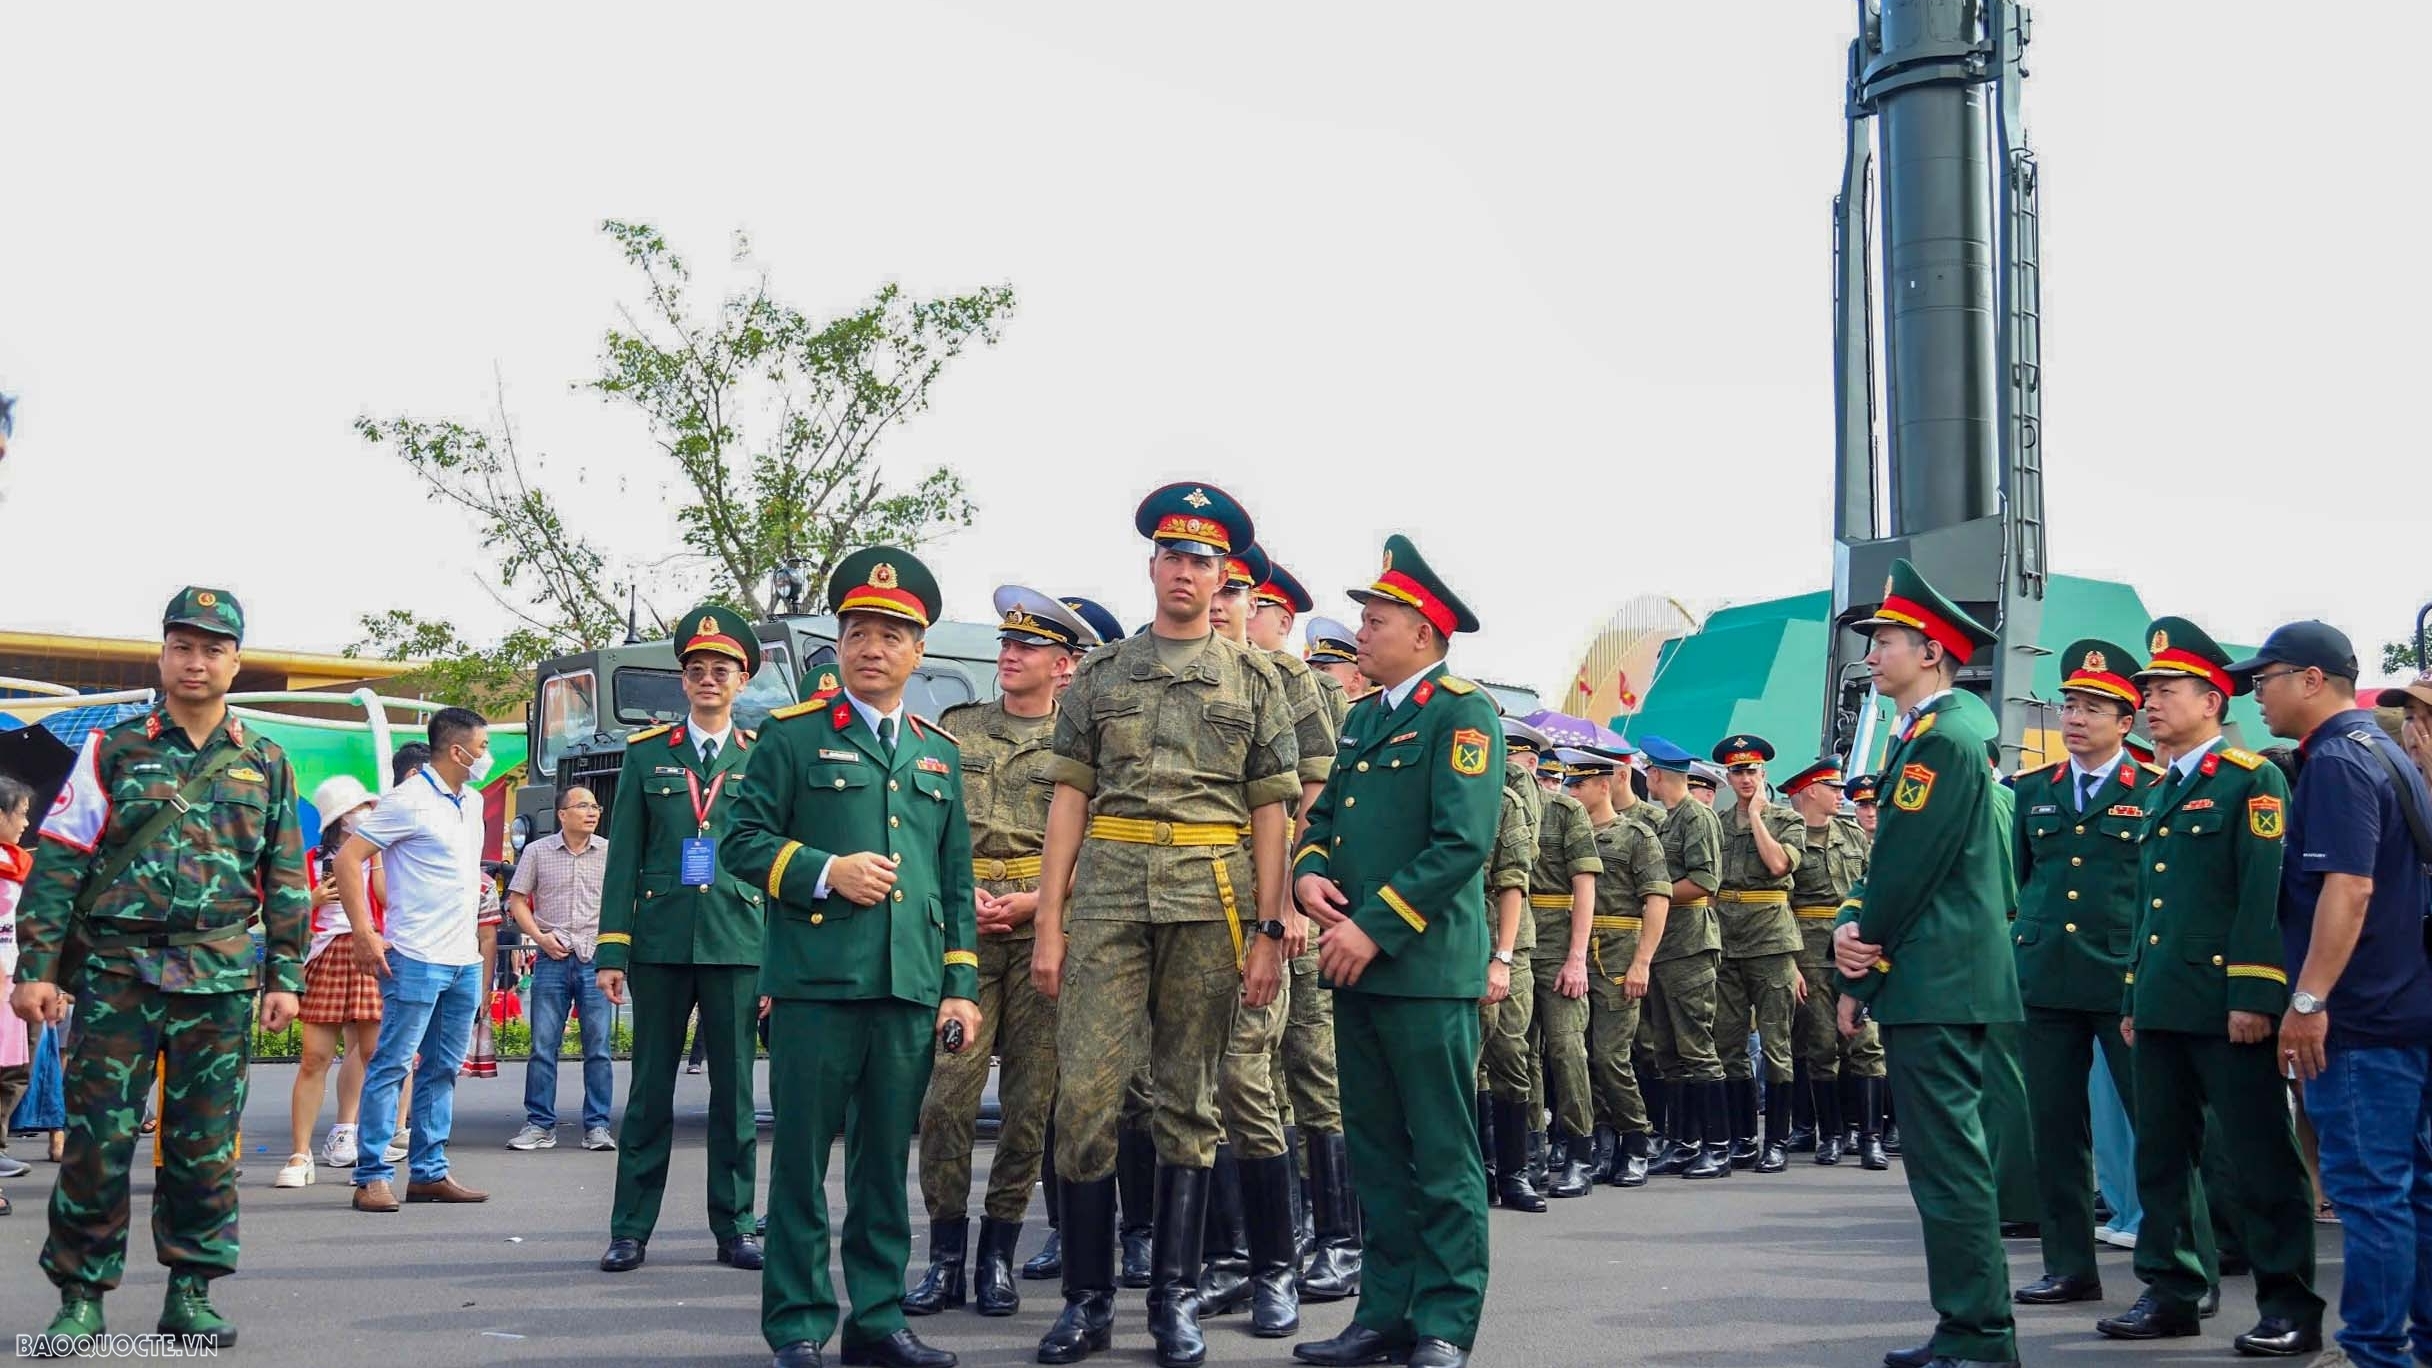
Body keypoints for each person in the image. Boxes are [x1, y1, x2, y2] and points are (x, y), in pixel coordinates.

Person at [1027, 483, 1298, 1368]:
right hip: (1107, 898)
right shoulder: (1101, 674)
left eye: (1202, 561)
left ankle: (1173, 1301)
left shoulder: (1257, 680)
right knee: (1088, 1102)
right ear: (1151, 566)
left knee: (1191, 1100)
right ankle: (1086, 1301)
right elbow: (1069, 799)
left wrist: (1270, 926)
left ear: (1223, 576)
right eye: (1172, 557)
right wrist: (1049, 924)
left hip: (1211, 902)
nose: (1186, 572)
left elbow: (1271, 814)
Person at [11, 587, 311, 1348]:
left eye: (213, 648)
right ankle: (81, 1295)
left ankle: (191, 1290)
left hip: (218, 976)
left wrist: (286, 976)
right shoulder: (113, 748)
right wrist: (37, 968)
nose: (196, 660)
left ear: (236, 663)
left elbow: (285, 877)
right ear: (163, 654)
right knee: (96, 1141)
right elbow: (61, 861)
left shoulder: (266, 763)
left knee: (205, 1144)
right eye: (183, 645)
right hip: (118, 974)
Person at [725, 547, 982, 1368]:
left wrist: (960, 987)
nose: (873, 647)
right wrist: (825, 872)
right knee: (800, 1165)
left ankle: (876, 1319)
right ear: (838, 643)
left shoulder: (938, 751)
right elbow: (739, 840)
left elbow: (954, 880)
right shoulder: (792, 738)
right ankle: (799, 1326)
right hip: (815, 986)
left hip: (907, 989)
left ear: (919, 652)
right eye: (858, 631)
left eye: (893, 634)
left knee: (883, 1169)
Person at [1290, 534, 1501, 1368]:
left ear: (1423, 630)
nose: (1362, 633)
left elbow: (1462, 842)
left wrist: (1369, 927)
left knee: (1442, 1152)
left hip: (1421, 970)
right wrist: (1309, 879)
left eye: (1375, 621)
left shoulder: (1462, 710)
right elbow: (1324, 824)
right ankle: (1384, 1312)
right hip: (1356, 968)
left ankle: (1445, 1320)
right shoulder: (1363, 718)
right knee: (1376, 1149)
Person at [2084, 616, 2321, 1353]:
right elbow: (2148, 911)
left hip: (2226, 1007)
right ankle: (2172, 1289)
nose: (2149, 701)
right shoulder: (2161, 790)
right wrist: (2132, 998)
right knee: (2161, 1156)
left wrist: (2254, 995)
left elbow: (2261, 895)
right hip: (2161, 1004)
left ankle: (2288, 1303)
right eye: (2146, 690)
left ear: (2214, 699)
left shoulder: (2252, 780)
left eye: (2166, 689)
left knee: (2258, 1157)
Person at [1828, 558, 2020, 1368]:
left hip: (1935, 980)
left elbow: (1907, 868)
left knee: (1949, 1171)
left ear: (1932, 652)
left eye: (1888, 641)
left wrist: (1857, 968)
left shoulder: (1943, 738)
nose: (1872, 655)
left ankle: (1978, 1333)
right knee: (1950, 1166)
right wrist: (1850, 923)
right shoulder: (1942, 731)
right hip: (1943, 976)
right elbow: (1895, 862)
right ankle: (1970, 1327)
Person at [903, 587, 1099, 1321]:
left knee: (1028, 1107)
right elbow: (923, 829)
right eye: (1005, 645)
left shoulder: (1081, 743)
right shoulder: (954, 733)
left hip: (1044, 933)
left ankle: (997, 1258)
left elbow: (1097, 842)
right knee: (946, 1098)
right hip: (964, 932)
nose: (1009, 656)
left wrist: (1040, 904)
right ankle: (944, 1255)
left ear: (1061, 664)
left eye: (1026, 648)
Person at [2242, 621, 2432, 1368]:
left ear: (2313, 680)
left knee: (2370, 1195)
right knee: (2412, 1191)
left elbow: (2348, 890)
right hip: (2404, 1006)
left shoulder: (2336, 764)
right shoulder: (2388, 752)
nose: (2258, 694)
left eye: (2267, 679)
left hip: (2360, 1016)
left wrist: (2309, 1002)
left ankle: (2376, 1352)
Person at [594, 606, 770, 1274]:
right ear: (683, 681)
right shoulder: (646, 757)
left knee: (736, 1098)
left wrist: (778, 958)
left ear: (742, 681)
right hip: (661, 943)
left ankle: (736, 1227)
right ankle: (630, 1229)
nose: (707, 679)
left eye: (720, 670)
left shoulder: (762, 756)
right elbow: (624, 858)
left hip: (738, 940)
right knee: (648, 1095)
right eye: (695, 670)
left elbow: (777, 855)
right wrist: (613, 949)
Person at [1195, 547, 1331, 1338]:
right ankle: (1220, 1258)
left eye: (1237, 588)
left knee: (1248, 1080)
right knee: (1186, 1088)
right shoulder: (1159, 669)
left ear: (1252, 599)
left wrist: (1290, 901)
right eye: (1214, 582)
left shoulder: (1287, 682)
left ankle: (1275, 1265)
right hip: (1177, 907)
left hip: (1259, 903)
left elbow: (1314, 794)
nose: (1221, 599)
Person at [2002, 640, 2152, 1303]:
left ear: (2126, 722)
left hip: (2122, 980)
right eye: (2069, 705)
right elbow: (2018, 883)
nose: (2076, 717)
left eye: (2094, 707)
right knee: (2056, 1133)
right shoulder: (2032, 792)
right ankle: (2069, 1266)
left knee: (2161, 1126)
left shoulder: (2153, 791)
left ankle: (2184, 1265)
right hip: (2046, 982)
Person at [1248, 560, 1361, 1308]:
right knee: (1257, 1081)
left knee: (1314, 1070)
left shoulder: (1313, 692)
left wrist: (1292, 896)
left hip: (1304, 907)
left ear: (1281, 618)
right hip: (1229, 900)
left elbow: (1319, 805)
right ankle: (1276, 1235)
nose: (1240, 612)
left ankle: (1340, 1238)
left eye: (1251, 603)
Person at [336, 706, 494, 1212]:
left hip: (461, 956)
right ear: (457, 750)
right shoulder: (407, 800)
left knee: (444, 1068)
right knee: (393, 1063)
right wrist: (365, 931)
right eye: (483, 747)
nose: (486, 756)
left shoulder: (469, 801)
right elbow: (347, 858)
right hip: (415, 954)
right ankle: (372, 1175)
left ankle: (428, 1172)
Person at [1562, 743, 1671, 1188]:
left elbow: (1658, 899)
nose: (1571, 789)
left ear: (1604, 785)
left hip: (1618, 953)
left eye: (1579, 783)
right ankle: (1603, 1144)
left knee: (1611, 1056)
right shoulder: (1570, 833)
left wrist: (1642, 961)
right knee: (1579, 1055)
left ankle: (1637, 1139)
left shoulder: (1635, 836)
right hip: (1574, 951)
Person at [277, 776, 388, 1190]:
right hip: (324, 954)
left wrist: (375, 854)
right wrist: (312, 899)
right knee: (314, 1056)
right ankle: (299, 1152)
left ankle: (351, 1132)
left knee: (372, 1049)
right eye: (359, 809)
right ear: (340, 819)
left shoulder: (381, 855)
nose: (366, 814)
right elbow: (282, 913)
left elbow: (387, 899)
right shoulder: (308, 859)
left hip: (370, 950)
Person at [1779, 757, 1886, 1169]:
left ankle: (1870, 1136)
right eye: (1832, 788)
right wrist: (1790, 964)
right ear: (1810, 792)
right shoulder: (1789, 838)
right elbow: (1778, 904)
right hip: (1808, 952)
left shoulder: (1854, 838)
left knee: (1867, 1042)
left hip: (1856, 949)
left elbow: (1874, 889)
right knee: (1820, 1045)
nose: (1840, 795)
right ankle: (1832, 1135)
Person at [1708, 735, 1805, 1173]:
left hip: (1771, 941)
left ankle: (1777, 1142)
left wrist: (1756, 817)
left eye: (1751, 771)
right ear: (1728, 777)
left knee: (1776, 1043)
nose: (1744, 778)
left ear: (1763, 774)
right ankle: (1743, 1138)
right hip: (1726, 941)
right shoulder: (1717, 822)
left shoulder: (1786, 820)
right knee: (1728, 1044)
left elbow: (1778, 866)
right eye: (1737, 772)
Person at [1636, 735, 1728, 1179]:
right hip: (1667, 945)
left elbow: (1706, 880)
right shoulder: (1670, 819)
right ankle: (1684, 1140)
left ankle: (1717, 1144)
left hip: (1690, 943)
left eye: (1648, 773)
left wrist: (1653, 896)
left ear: (1656, 775)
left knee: (1698, 1047)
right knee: (1668, 1050)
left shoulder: (1697, 816)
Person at [506, 786, 615, 1153]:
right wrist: (538, 935)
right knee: (542, 1046)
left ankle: (598, 1126)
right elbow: (517, 901)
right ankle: (539, 1124)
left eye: (595, 806)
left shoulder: (609, 852)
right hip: (551, 957)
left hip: (595, 958)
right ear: (562, 814)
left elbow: (623, 902)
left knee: (598, 1047)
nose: (592, 811)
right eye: (582, 805)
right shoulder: (537, 851)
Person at [1517, 724, 1601, 1200]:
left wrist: (1576, 958)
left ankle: (1579, 1153)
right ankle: (1532, 1150)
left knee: (1567, 1052)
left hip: (1557, 945)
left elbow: (1585, 885)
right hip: (1518, 945)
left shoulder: (1565, 812)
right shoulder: (1492, 809)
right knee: (1520, 1055)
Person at [1475, 719, 1545, 1211]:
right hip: (1453, 940)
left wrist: (1500, 957)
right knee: (1465, 1064)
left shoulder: (1506, 803)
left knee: (1509, 1056)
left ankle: (1516, 1172)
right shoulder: (1439, 793)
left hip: (1506, 944)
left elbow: (1513, 882)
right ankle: (1478, 1171)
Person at [0, 774, 34, 1215]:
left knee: (12, 1071)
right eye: (20, 813)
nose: (25, 822)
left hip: (12, 980)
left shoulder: (18, 864)